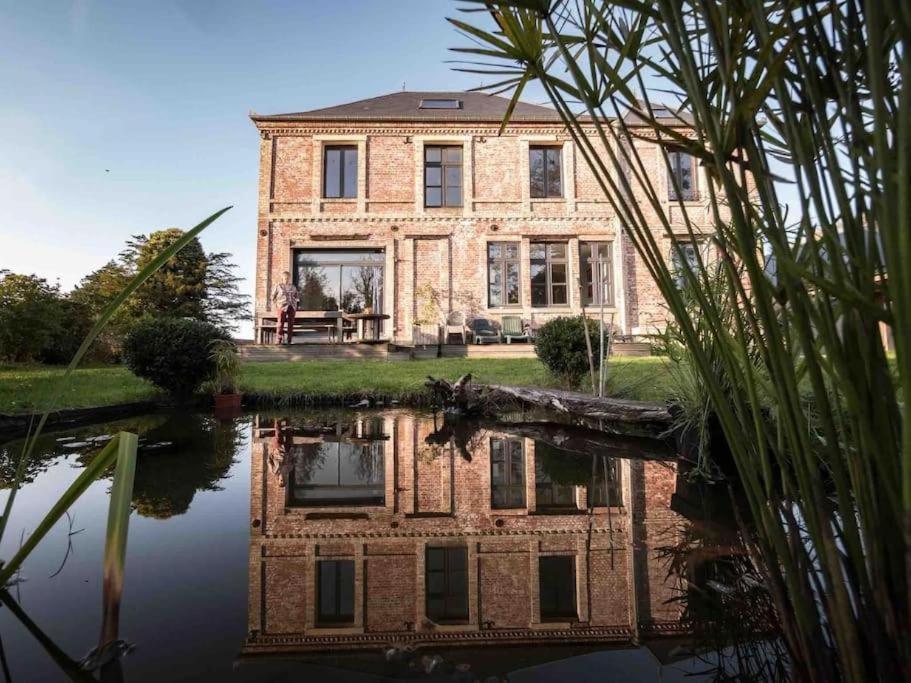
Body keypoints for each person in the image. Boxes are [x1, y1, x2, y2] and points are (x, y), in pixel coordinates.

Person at [271, 271, 299, 345]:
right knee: (280, 323)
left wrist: (295, 303)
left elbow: (297, 296)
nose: (286, 280)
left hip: (291, 306)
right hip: (281, 306)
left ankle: (289, 340)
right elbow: (273, 297)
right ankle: (278, 340)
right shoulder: (278, 286)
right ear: (282, 278)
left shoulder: (293, 287)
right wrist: (276, 305)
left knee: (291, 323)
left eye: (288, 278)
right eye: (285, 278)